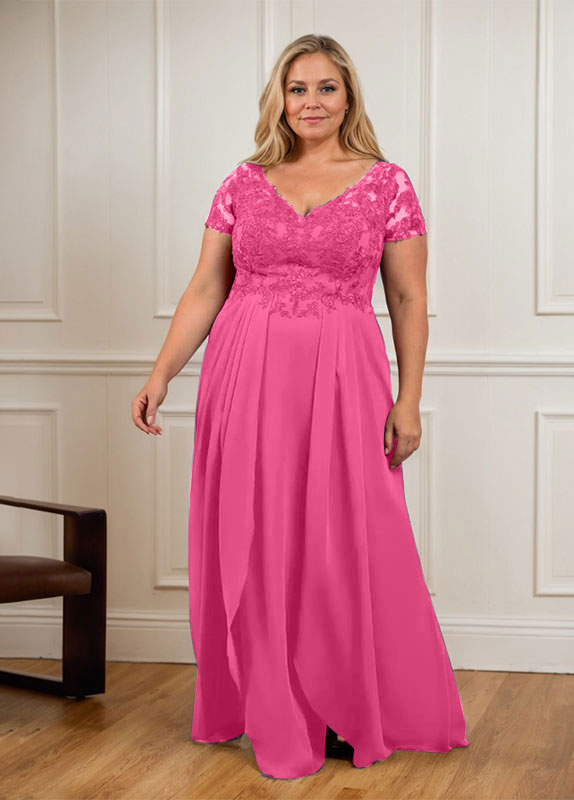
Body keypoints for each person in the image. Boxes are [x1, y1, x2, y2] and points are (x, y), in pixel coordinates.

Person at [132, 33, 470, 781]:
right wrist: (161, 373)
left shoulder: (387, 184)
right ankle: (275, 703)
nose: (311, 102)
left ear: (348, 98)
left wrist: (410, 399)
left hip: (345, 379)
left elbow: (408, 297)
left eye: (325, 88)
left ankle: (345, 703)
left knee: (343, 538)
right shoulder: (242, 182)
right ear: (279, 100)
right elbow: (206, 287)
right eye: (297, 88)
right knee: (256, 537)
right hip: (243, 376)